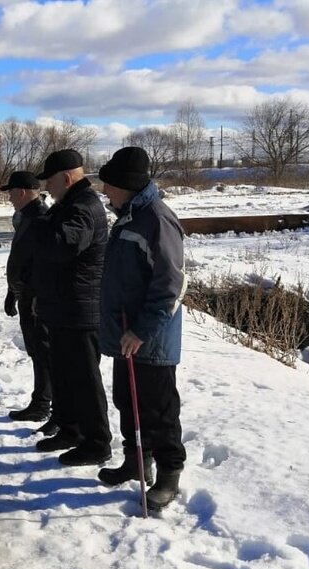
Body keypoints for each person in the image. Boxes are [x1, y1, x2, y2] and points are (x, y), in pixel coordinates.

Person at [96, 146, 187, 510]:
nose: (105, 192)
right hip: (126, 332)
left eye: (109, 186)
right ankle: (136, 463)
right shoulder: (129, 216)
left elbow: (171, 284)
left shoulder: (157, 219)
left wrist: (141, 330)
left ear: (127, 185)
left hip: (150, 339)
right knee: (127, 401)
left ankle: (168, 475)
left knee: (159, 410)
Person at [31, 149, 112, 466]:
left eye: (49, 182)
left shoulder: (83, 207)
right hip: (65, 307)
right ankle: (71, 429)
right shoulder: (69, 204)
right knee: (65, 374)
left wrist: (37, 223)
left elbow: (62, 246)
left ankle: (97, 442)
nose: (46, 188)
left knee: (85, 379)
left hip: (81, 310)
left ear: (65, 179)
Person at [1, 171, 56, 434]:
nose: (10, 198)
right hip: (26, 295)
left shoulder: (39, 218)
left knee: (43, 351)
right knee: (36, 350)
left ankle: (46, 404)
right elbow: (22, 259)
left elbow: (41, 264)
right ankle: (41, 402)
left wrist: (33, 296)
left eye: (11, 193)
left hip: (37, 298)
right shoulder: (27, 217)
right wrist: (12, 291)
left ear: (22, 192)